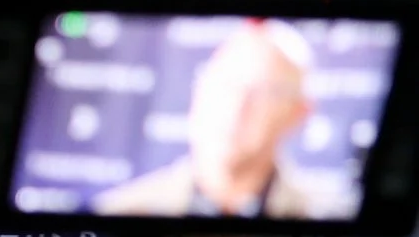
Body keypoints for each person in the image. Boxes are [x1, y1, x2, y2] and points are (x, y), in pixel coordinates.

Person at [95, 20, 339, 220]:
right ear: (198, 94)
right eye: (227, 85)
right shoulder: (121, 211)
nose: (237, 108)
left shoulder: (326, 216)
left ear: (298, 113)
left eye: (261, 93)